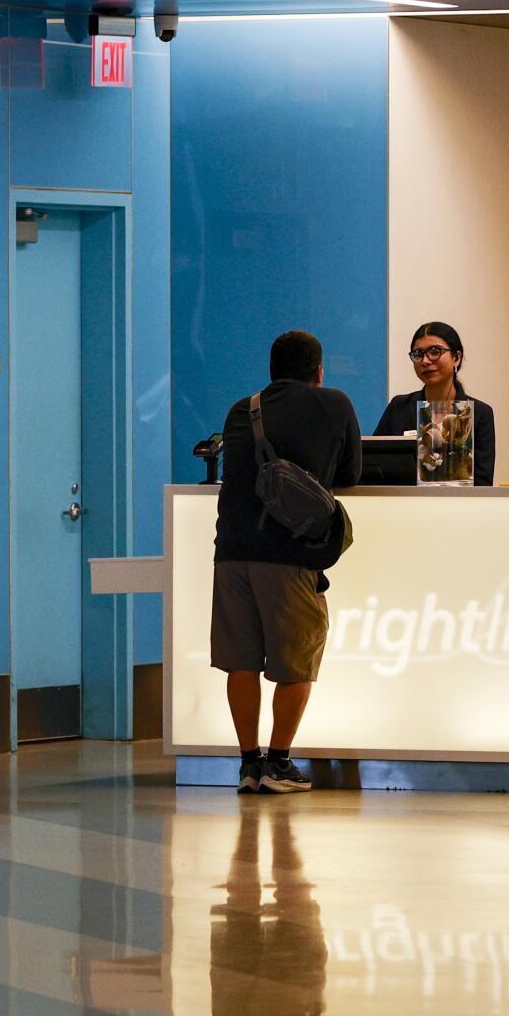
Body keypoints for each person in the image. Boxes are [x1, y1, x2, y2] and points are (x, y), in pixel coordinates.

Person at [213, 329, 362, 795]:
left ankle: (248, 764)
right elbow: (351, 474)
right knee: (297, 660)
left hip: (231, 551)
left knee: (241, 661)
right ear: (318, 371)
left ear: (272, 370)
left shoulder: (243, 409)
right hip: (289, 553)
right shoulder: (334, 404)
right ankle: (279, 763)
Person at [374, 321, 496, 486]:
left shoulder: (479, 413)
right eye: (418, 354)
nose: (425, 360)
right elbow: (375, 465)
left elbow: (483, 482)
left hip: (460, 508)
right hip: (405, 506)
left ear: (456, 358)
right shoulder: (399, 407)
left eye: (434, 352)